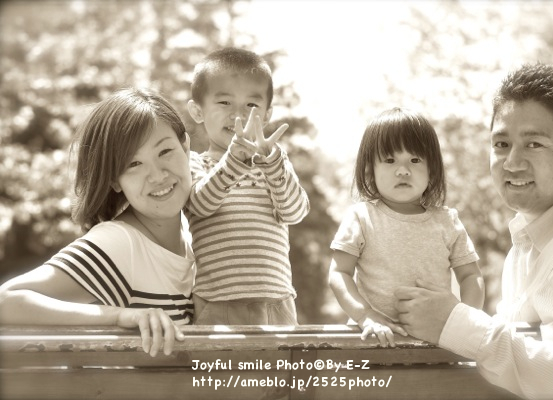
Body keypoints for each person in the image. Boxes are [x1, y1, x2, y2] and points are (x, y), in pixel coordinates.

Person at [395, 63, 553, 399]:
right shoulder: (531, 239)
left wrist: (455, 323)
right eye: (501, 144)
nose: (512, 162)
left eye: (534, 144)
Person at [0, 88, 195, 357]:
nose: (157, 175)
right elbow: (6, 301)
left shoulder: (197, 231)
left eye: (165, 151)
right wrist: (119, 317)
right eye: (133, 164)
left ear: (186, 147)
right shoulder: (121, 243)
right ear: (115, 180)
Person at [329, 107, 485, 347]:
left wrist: (465, 321)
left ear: (432, 169)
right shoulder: (361, 217)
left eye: (415, 160)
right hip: (373, 343)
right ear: (370, 170)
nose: (403, 170)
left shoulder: (447, 221)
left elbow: (471, 275)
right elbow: (339, 273)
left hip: (435, 345)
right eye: (390, 160)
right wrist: (365, 315)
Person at [185, 47, 310, 325]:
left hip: (276, 302)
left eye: (251, 105)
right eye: (224, 102)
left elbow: (295, 212)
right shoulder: (195, 163)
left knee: (281, 356)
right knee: (218, 357)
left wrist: (273, 164)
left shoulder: (274, 163)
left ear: (266, 115)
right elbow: (200, 206)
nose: (239, 116)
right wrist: (233, 163)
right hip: (217, 301)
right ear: (197, 111)